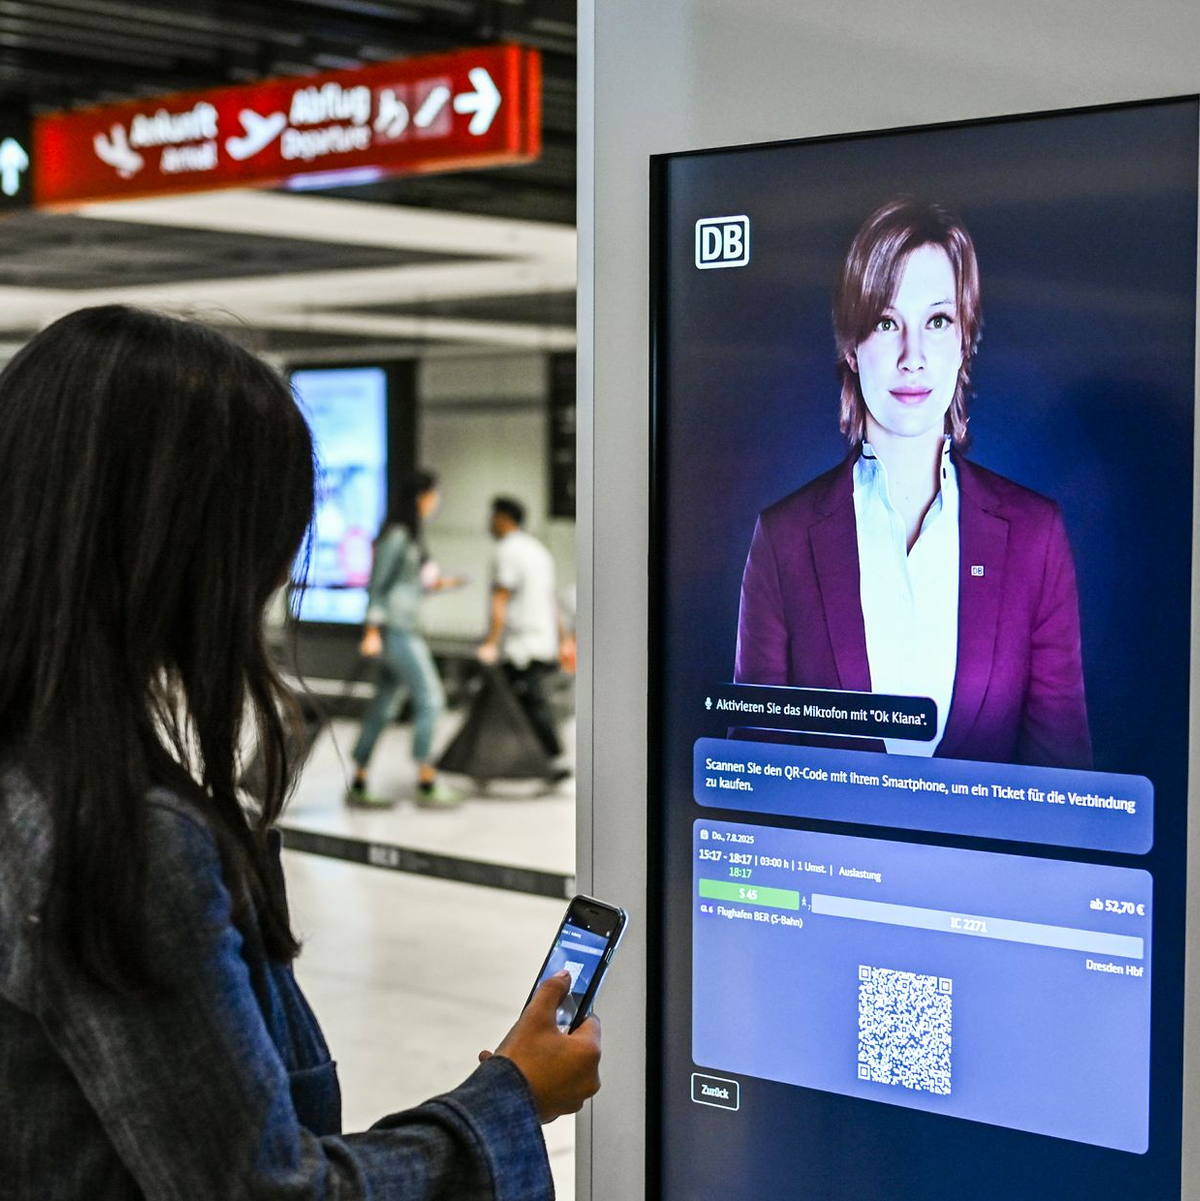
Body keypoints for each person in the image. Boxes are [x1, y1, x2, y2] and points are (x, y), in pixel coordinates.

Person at [0, 306, 601, 1198]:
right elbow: (269, 1188)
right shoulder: (123, 844)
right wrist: (509, 1098)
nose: (277, 576)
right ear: (187, 546)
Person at [735, 198, 1092, 769]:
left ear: (964, 340)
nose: (913, 356)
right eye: (885, 322)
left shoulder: (1033, 534)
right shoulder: (784, 539)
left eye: (937, 321)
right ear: (852, 347)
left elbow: (1063, 779)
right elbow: (755, 774)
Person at [348, 469, 462, 808]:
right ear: (420, 497)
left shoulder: (410, 537)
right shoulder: (398, 535)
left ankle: (359, 779)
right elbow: (378, 585)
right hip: (396, 631)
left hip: (401, 627)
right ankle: (426, 779)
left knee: (385, 704)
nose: (436, 503)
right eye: (433, 496)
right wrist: (371, 630)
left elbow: (408, 586)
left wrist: (444, 584)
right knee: (431, 698)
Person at [478, 497, 571, 779]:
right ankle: (543, 760)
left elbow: (501, 599)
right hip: (542, 640)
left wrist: (491, 643)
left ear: (505, 518)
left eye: (493, 517)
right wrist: (563, 638)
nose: (489, 523)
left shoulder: (507, 550)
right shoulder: (538, 551)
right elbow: (551, 600)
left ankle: (552, 760)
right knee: (527, 701)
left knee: (524, 702)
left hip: (521, 644)